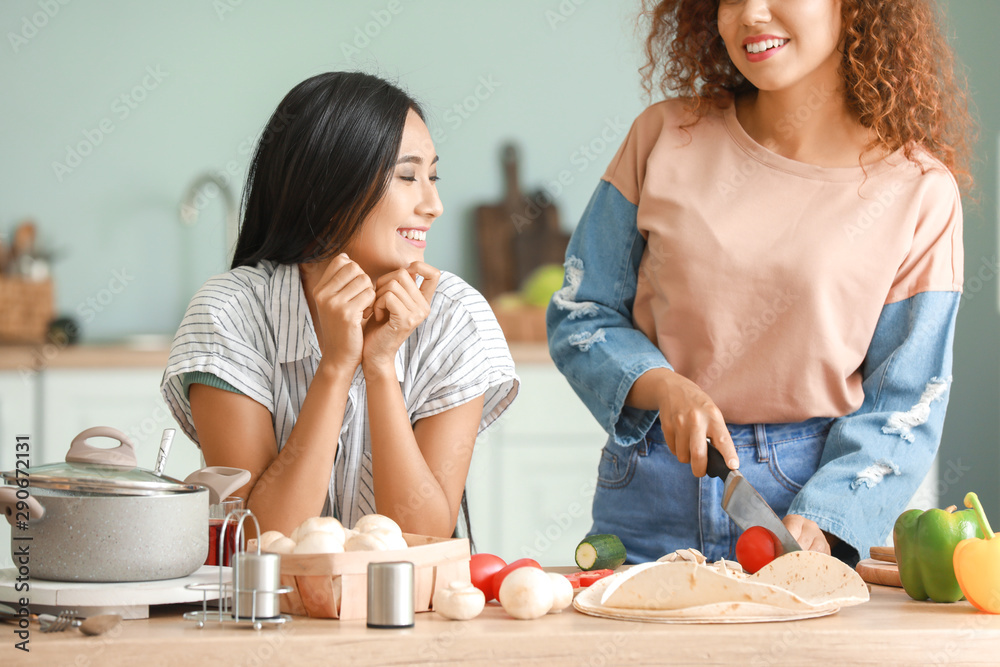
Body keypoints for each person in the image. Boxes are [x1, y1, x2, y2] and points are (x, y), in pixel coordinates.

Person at [547, 0, 974, 565]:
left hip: (803, 501)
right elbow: (583, 310)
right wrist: (664, 386)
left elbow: (905, 403)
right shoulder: (664, 136)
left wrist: (828, 513)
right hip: (648, 486)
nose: (751, 13)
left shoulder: (920, 190)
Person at [162, 72, 518, 539]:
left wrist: (380, 364)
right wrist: (335, 366)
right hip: (269, 610)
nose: (434, 204)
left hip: (408, 610)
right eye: (408, 176)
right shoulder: (231, 314)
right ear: (329, 188)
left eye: (432, 176)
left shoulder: (455, 318)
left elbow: (423, 537)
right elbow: (257, 539)